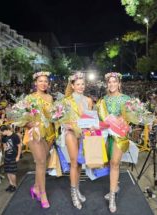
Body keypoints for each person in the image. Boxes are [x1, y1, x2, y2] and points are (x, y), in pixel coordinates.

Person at [96, 72, 130, 213]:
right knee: (109, 163)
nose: (111, 84)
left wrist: (122, 121)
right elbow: (101, 119)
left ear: (119, 84)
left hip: (118, 136)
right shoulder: (103, 100)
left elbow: (129, 117)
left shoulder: (126, 99)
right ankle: (114, 187)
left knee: (115, 163)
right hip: (106, 135)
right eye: (109, 82)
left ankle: (112, 197)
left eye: (114, 81)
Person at [24, 71, 55, 209]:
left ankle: (36, 187)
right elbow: (21, 117)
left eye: (46, 81)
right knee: (41, 161)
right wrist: (28, 123)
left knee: (42, 163)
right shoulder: (29, 98)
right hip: (34, 133)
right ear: (35, 83)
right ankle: (42, 194)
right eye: (40, 81)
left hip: (48, 134)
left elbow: (52, 116)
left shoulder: (50, 98)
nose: (43, 83)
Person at [62, 72, 92, 209]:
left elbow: (90, 118)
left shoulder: (89, 100)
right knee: (74, 163)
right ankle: (73, 193)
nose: (80, 87)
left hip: (84, 134)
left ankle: (77, 189)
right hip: (71, 134)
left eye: (82, 84)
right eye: (77, 84)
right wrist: (68, 125)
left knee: (80, 164)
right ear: (72, 86)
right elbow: (61, 119)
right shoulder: (66, 101)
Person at [0, 125, 22, 192]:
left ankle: (14, 185)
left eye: (2, 132)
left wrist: (18, 156)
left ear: (5, 130)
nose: (1, 134)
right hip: (7, 156)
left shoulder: (14, 136)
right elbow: (4, 144)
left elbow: (19, 146)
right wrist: (5, 147)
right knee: (8, 171)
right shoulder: (4, 137)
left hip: (13, 156)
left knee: (12, 172)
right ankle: (11, 184)